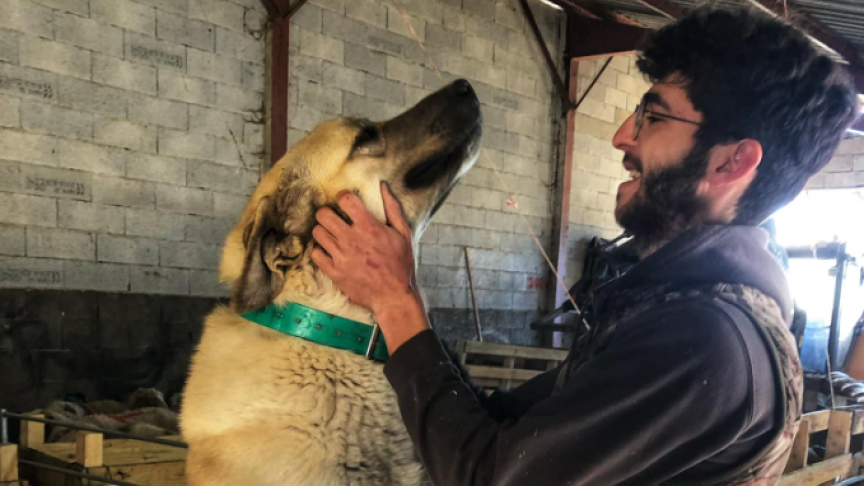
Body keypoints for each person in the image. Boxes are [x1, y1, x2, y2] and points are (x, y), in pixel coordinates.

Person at [310, 6, 858, 486]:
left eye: (652, 114)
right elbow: (502, 426)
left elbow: (488, 476)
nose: (623, 135)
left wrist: (395, 304)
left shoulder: (707, 338)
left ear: (732, 162)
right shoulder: (672, 309)